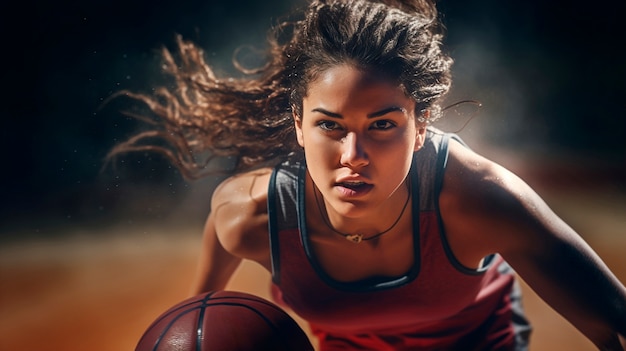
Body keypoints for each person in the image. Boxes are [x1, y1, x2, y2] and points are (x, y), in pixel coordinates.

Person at [107, 0, 626, 349]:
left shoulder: (478, 199)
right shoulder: (249, 214)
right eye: (329, 126)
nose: (353, 154)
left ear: (420, 126)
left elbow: (615, 323)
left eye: (382, 125)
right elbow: (200, 316)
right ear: (298, 125)